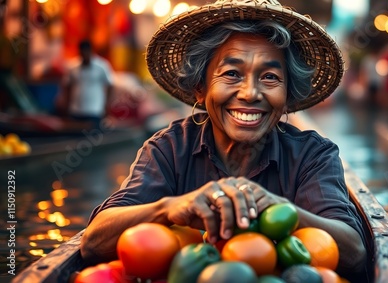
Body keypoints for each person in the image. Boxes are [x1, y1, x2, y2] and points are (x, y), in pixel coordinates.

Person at [81, 0, 368, 280]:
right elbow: (93, 243)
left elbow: (355, 254)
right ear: (200, 89)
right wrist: (169, 207)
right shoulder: (168, 148)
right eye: (231, 74)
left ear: (287, 96)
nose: (250, 93)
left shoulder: (313, 155)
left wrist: (283, 209)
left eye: (269, 77)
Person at [61, 40, 114, 128]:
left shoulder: (102, 66)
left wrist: (106, 105)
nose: (85, 54)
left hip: (95, 110)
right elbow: (67, 86)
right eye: (83, 52)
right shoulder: (72, 67)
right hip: (76, 110)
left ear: (91, 51)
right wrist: (66, 104)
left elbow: (110, 85)